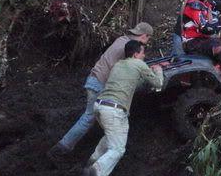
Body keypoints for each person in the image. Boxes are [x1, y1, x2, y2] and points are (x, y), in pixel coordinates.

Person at [48, 22, 154, 160]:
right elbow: (131, 69)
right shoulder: (130, 48)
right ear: (145, 36)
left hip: (94, 78)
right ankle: (61, 148)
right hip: (100, 83)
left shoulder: (122, 39)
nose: (146, 44)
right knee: (89, 118)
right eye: (148, 39)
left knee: (93, 116)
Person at [80, 40, 164, 176]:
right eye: (143, 52)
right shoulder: (139, 64)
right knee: (117, 149)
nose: (144, 55)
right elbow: (158, 83)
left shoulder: (118, 64)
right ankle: (95, 172)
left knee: (110, 137)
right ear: (136, 53)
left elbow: (132, 85)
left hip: (100, 106)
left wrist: (143, 76)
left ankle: (92, 162)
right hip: (114, 110)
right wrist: (158, 69)